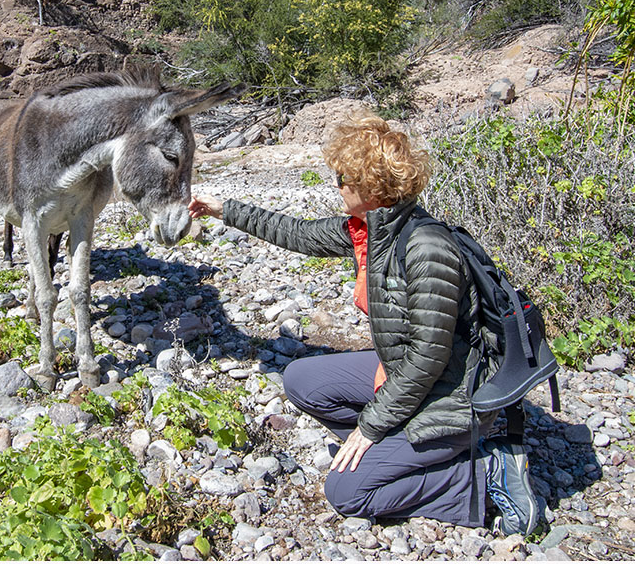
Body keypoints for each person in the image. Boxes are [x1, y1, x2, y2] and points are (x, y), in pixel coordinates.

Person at [188, 111, 537, 534]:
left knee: (347, 493)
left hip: (453, 399)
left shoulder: (427, 248)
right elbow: (298, 233)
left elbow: (428, 358)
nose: (336, 186)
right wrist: (224, 210)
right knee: (301, 380)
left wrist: (371, 426)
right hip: (408, 376)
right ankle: (396, 450)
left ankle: (485, 473)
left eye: (342, 179)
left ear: (370, 187)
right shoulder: (372, 231)